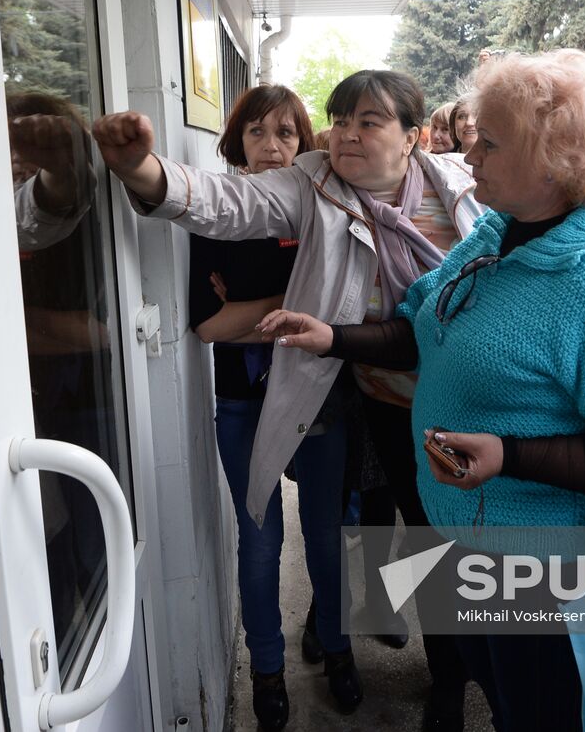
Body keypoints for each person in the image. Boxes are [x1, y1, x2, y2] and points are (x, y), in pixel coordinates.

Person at [259, 50, 585, 732]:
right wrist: (332, 336)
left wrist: (512, 454)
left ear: (558, 159)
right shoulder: (494, 238)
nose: (469, 153)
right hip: (468, 551)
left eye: (491, 141)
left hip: (547, 584)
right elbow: (418, 325)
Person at [93, 71, 482, 725]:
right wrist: (144, 169)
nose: (347, 133)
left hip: (466, 406)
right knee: (412, 537)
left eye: (369, 121)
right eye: (341, 118)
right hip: (385, 405)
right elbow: (224, 201)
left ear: (414, 137)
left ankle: (459, 668)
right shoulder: (315, 184)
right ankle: (434, 675)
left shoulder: (464, 194)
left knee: (463, 543)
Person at [184, 85, 313, 730]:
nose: (272, 147)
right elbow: (209, 326)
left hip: (324, 402)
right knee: (262, 545)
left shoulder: (318, 212)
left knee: (337, 528)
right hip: (244, 401)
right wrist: (295, 300)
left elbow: (344, 312)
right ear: (235, 141)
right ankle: (267, 667)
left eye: (287, 134)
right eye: (258, 133)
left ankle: (337, 640)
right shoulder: (216, 215)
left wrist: (250, 309)